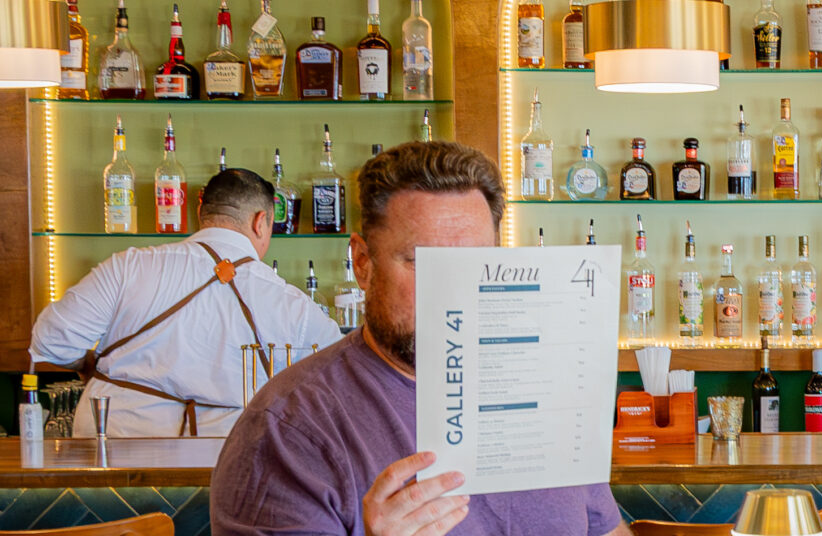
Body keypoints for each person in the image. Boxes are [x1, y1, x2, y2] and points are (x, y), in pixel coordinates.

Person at [211, 141, 627, 536]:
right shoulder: (288, 431)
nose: (453, 290)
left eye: (474, 262)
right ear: (362, 263)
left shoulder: (546, 399)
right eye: (422, 261)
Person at [30, 168, 342, 437]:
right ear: (262, 222)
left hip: (115, 454)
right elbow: (341, 375)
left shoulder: (129, 266)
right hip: (226, 463)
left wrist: (85, 364)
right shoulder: (296, 307)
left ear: (200, 214)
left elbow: (52, 340)